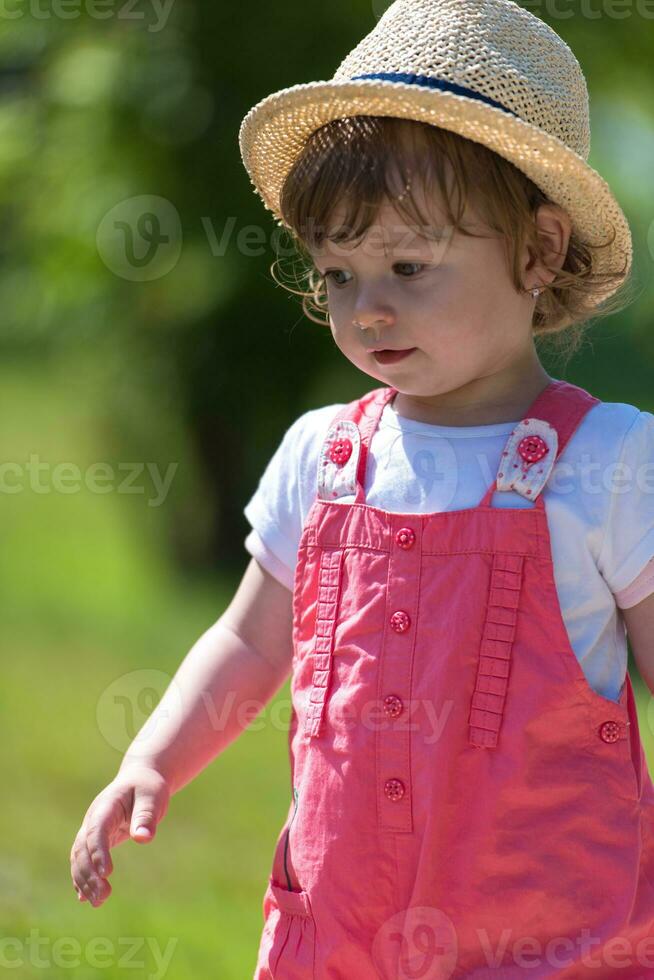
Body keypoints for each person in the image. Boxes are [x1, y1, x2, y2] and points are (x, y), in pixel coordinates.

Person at [71, 0, 654, 975]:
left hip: (553, 938)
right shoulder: (322, 454)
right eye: (338, 272)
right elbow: (247, 638)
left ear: (540, 250)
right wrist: (153, 758)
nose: (369, 304)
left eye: (409, 264)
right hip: (339, 928)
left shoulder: (608, 461)